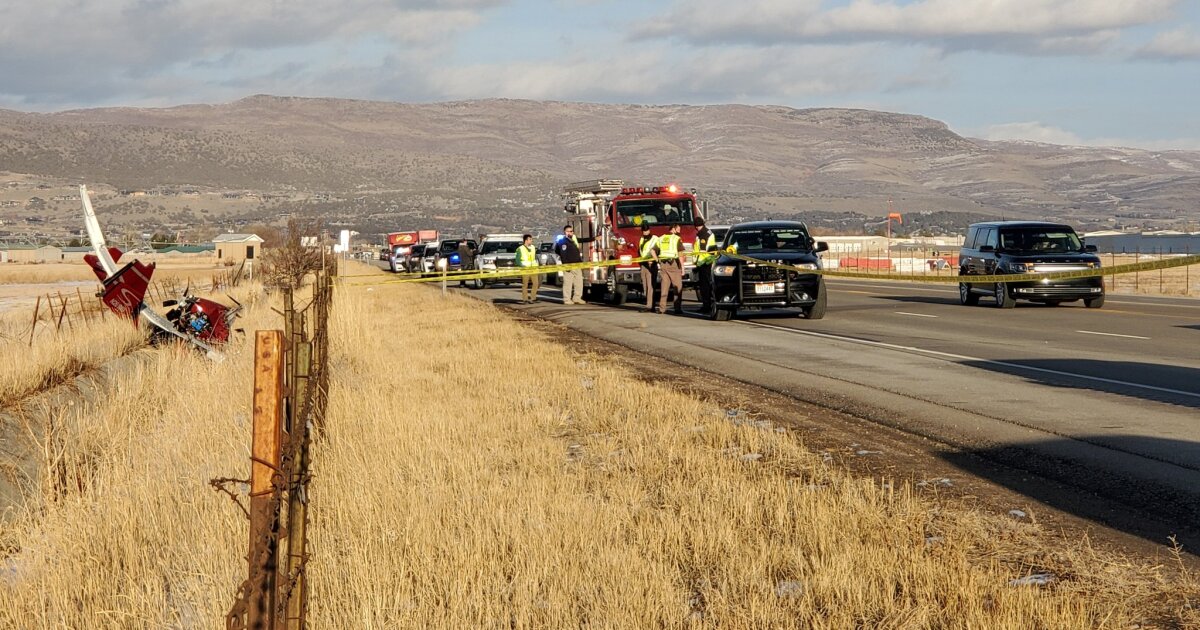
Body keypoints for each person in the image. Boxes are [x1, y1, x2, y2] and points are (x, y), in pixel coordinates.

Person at [554, 224, 589, 305]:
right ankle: (567, 299)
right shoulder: (563, 242)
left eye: (572, 231)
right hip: (569, 265)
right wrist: (566, 265)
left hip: (577, 264)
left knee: (579, 282)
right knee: (568, 283)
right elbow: (562, 254)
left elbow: (582, 240)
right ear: (565, 232)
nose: (571, 232)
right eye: (569, 231)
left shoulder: (572, 240)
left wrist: (594, 238)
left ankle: (577, 297)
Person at [653, 223, 684, 314]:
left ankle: (662, 309)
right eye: (678, 229)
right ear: (673, 229)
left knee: (664, 287)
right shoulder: (676, 238)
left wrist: (657, 260)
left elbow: (652, 250)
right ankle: (677, 309)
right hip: (674, 264)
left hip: (663, 264)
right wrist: (682, 267)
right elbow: (680, 254)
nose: (679, 231)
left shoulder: (661, 238)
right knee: (677, 287)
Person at [693, 217, 717, 313]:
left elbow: (702, 250)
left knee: (704, 286)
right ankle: (708, 304)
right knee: (708, 285)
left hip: (704, 263)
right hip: (708, 261)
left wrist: (697, 262)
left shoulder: (703, 235)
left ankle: (706, 306)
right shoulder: (708, 232)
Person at [637, 224, 659, 312]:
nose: (645, 232)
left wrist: (654, 261)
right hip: (644, 264)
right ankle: (649, 304)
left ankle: (650, 306)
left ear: (649, 230)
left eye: (646, 230)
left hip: (651, 264)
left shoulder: (655, 238)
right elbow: (640, 251)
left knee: (650, 286)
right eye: (643, 231)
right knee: (645, 286)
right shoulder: (642, 239)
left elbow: (658, 250)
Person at [515, 234, 540, 303]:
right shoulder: (520, 249)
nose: (531, 241)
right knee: (525, 284)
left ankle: (533, 298)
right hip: (525, 269)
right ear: (526, 240)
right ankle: (525, 299)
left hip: (533, 268)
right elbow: (517, 260)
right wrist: (522, 266)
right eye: (530, 239)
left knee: (536, 283)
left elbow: (534, 257)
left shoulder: (533, 247)